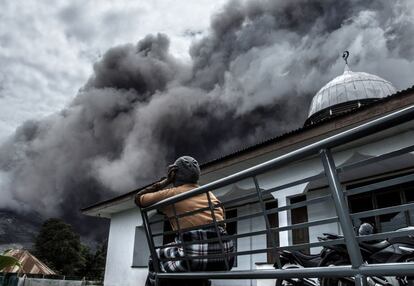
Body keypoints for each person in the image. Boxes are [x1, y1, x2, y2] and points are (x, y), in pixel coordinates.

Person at [135, 156, 234, 286]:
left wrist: (165, 181)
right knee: (187, 259)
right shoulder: (210, 195)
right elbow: (223, 225)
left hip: (192, 256)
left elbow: (139, 199)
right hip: (225, 258)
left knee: (155, 257)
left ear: (174, 174)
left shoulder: (173, 193)